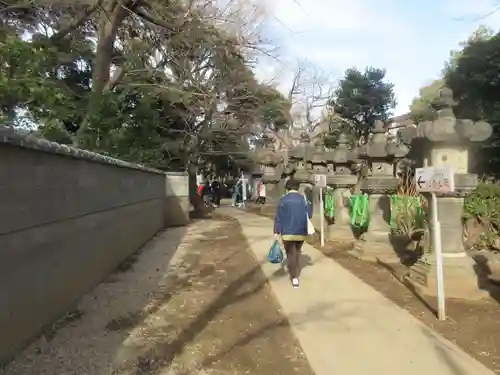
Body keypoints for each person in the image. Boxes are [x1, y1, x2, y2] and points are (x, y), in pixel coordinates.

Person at [273, 178, 312, 288]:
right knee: (297, 251)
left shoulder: (283, 200)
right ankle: (296, 267)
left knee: (290, 254)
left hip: (287, 231)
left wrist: (277, 231)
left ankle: (294, 277)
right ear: (298, 187)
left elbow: (278, 217)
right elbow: (309, 214)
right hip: (301, 230)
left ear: (287, 188)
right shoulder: (302, 199)